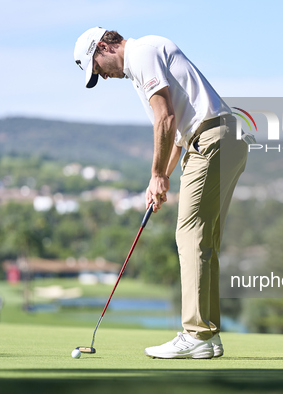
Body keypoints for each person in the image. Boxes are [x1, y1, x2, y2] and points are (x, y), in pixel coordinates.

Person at [74, 27, 248, 359]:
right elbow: (178, 131)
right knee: (204, 240)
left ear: (104, 48)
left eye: (97, 69)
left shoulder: (141, 53)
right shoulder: (146, 57)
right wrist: (162, 178)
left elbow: (165, 118)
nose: (104, 77)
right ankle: (207, 337)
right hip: (223, 138)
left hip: (211, 139)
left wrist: (155, 174)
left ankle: (195, 333)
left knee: (190, 236)